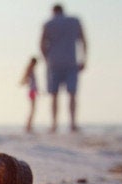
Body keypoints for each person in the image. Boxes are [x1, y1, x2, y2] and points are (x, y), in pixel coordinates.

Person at [40, 4, 87, 133]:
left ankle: (54, 124)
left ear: (53, 11)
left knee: (54, 95)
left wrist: (46, 59)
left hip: (54, 62)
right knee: (72, 94)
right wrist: (84, 59)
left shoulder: (48, 24)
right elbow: (83, 40)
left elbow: (42, 44)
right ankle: (72, 123)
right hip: (71, 61)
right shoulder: (74, 21)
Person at [20, 57, 39, 133]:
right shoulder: (29, 69)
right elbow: (24, 80)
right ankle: (28, 125)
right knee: (32, 109)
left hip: (32, 90)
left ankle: (29, 125)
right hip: (32, 91)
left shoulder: (30, 69)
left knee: (33, 109)